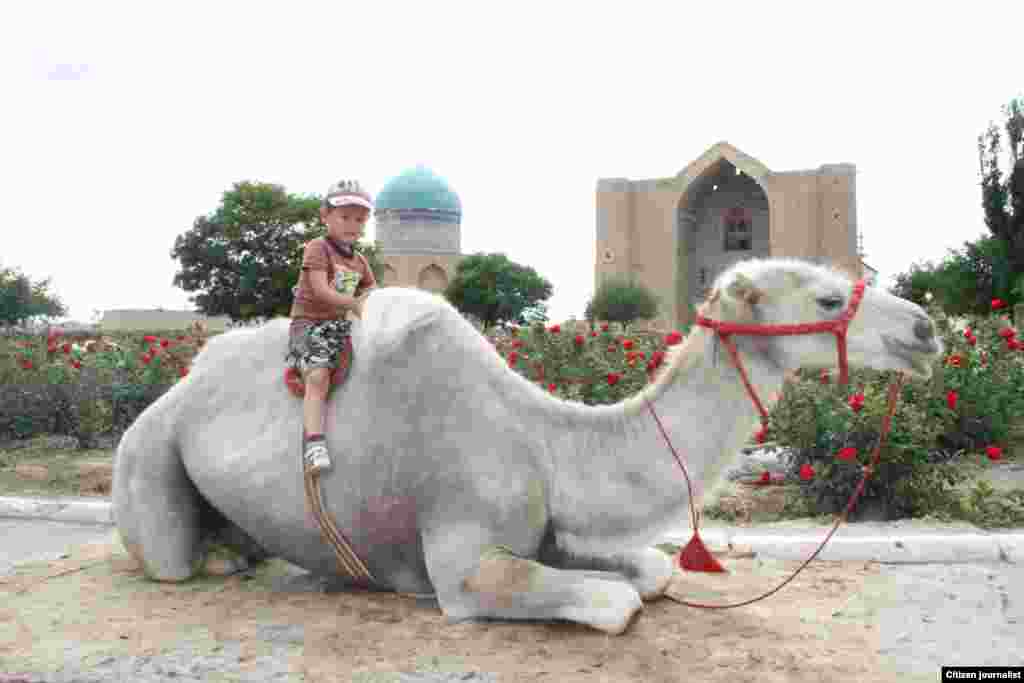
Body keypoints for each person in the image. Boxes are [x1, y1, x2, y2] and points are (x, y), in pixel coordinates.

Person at [286, 179, 377, 474]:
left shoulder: (361, 261)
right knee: (318, 376)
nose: (353, 224)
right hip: (310, 322)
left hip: (340, 326)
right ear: (325, 216)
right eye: (345, 217)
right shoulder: (317, 248)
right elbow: (321, 290)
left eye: (359, 219)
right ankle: (314, 443)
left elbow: (372, 293)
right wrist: (354, 305)